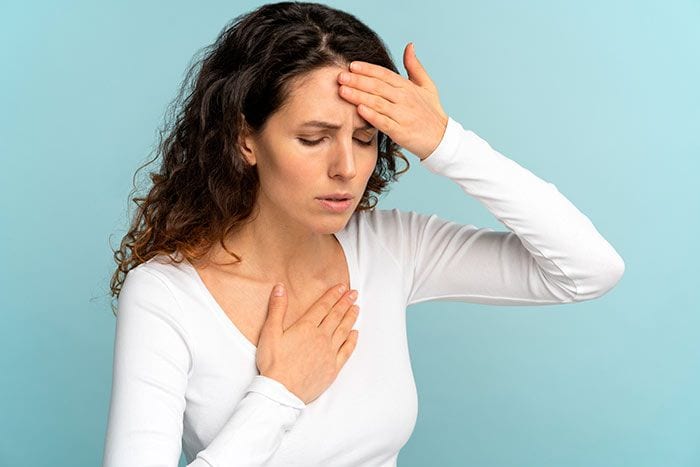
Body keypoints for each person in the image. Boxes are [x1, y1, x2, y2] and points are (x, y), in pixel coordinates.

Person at [102, 2, 625, 466]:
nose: (347, 168)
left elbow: (588, 271)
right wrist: (279, 394)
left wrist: (448, 144)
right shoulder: (166, 294)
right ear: (245, 140)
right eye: (313, 138)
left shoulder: (392, 247)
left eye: (365, 137)